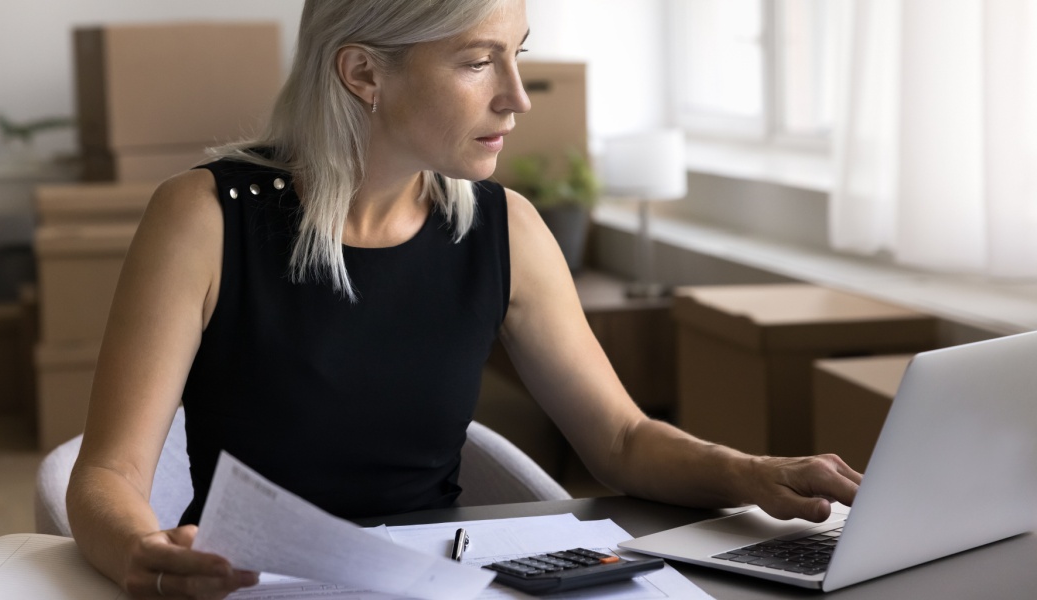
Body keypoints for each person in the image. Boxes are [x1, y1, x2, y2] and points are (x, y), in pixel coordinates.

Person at [66, 0, 863, 598]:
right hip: (257, 582)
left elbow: (619, 439)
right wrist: (147, 555)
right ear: (364, 73)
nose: (517, 97)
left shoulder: (504, 227)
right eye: (479, 62)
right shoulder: (205, 218)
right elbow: (107, 473)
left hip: (443, 584)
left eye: (517, 56)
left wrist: (754, 473)